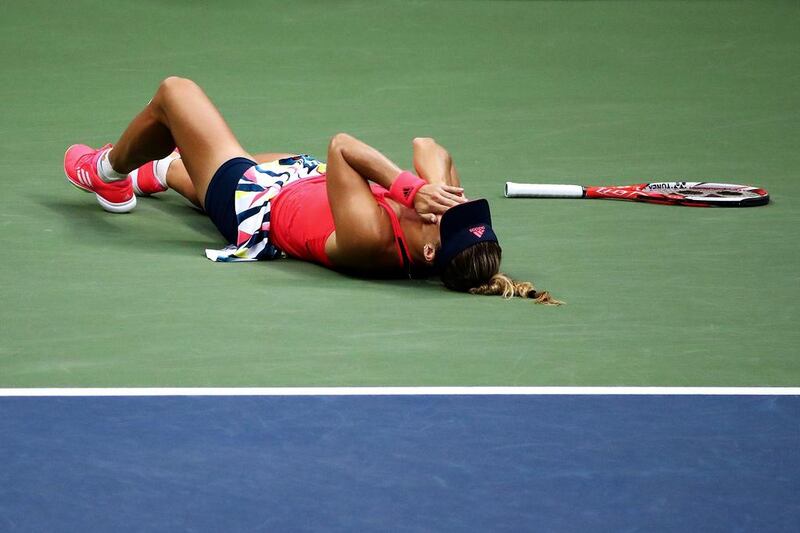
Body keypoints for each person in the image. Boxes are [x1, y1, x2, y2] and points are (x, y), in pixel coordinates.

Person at [64, 77, 558, 303]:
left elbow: (343, 146)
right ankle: (158, 173)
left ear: (430, 252)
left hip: (256, 201)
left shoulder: (370, 239)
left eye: (445, 216)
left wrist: (410, 190)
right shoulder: (434, 229)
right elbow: (426, 144)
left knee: (176, 96)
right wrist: (435, 190)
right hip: (305, 180)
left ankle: (107, 173)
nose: (446, 204)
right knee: (196, 157)